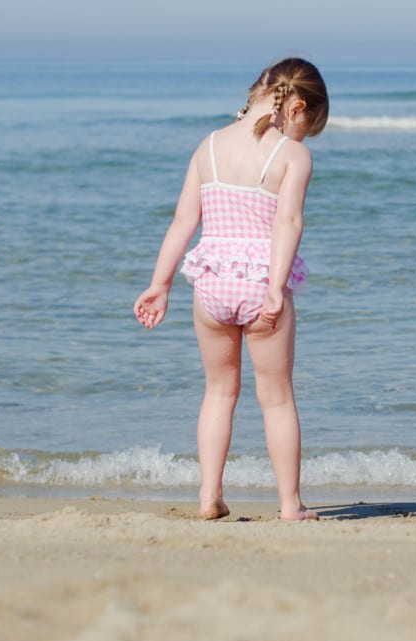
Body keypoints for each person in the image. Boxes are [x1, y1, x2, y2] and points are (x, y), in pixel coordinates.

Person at [133, 58, 329, 520]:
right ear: (297, 107)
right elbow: (288, 222)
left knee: (219, 392)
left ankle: (209, 498)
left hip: (210, 286)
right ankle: (289, 505)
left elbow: (184, 221)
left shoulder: (210, 146)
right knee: (277, 396)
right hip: (260, 283)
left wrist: (159, 284)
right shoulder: (292, 156)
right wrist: (276, 287)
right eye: (308, 127)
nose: (304, 138)